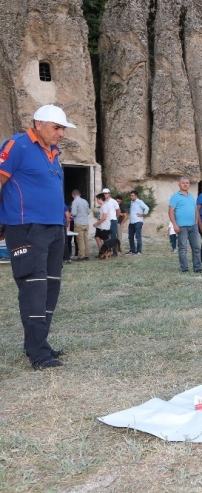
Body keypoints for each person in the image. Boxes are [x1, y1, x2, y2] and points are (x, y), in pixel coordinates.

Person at [0, 104, 76, 369]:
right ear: (38, 124)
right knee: (34, 288)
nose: (61, 133)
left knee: (50, 287)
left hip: (54, 228)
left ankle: (39, 343)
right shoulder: (17, 145)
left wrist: (64, 210)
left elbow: (51, 187)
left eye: (63, 128)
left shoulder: (53, 153)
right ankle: (39, 355)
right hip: (26, 227)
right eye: (57, 127)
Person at [168, 176, 202, 273]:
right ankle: (184, 268)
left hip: (193, 225)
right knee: (183, 248)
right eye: (183, 183)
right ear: (179, 184)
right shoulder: (175, 197)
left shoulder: (192, 196)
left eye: (187, 183)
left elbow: (195, 209)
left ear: (189, 185)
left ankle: (197, 268)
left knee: (196, 247)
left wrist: (196, 221)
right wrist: (175, 225)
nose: (185, 184)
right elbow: (171, 212)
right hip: (181, 226)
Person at [126, 190, 149, 255]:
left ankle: (139, 251)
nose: (131, 197)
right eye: (130, 195)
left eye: (132, 195)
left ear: (136, 196)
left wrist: (143, 214)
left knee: (138, 236)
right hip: (132, 222)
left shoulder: (139, 202)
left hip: (138, 221)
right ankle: (132, 250)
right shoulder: (131, 202)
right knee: (130, 236)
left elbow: (146, 208)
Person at [70, 189, 89, 260]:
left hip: (79, 223)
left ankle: (81, 255)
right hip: (86, 223)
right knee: (86, 239)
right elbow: (88, 212)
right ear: (79, 194)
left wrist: (71, 215)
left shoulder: (75, 202)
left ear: (73, 195)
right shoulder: (85, 201)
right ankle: (87, 254)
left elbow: (74, 213)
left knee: (80, 240)